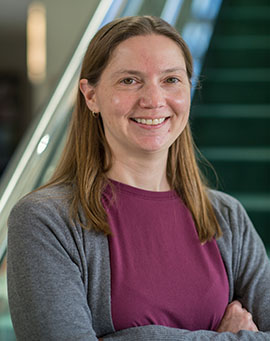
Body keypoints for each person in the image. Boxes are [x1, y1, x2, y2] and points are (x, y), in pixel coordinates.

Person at [7, 15, 270, 340]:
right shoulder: (46, 221)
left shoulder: (227, 218)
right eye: (129, 80)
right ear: (91, 96)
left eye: (171, 80)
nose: (153, 100)